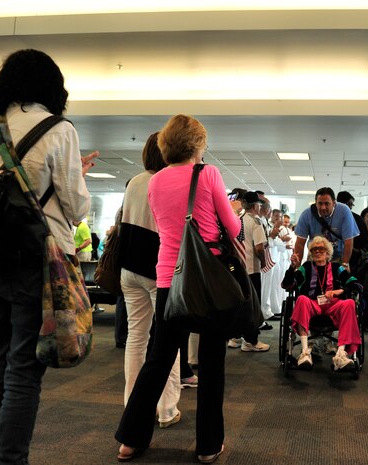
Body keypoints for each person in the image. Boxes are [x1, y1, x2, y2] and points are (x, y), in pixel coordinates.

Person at [0, 49, 97, 465]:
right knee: (23, 371)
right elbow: (76, 209)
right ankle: (11, 460)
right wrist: (77, 172)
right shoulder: (59, 129)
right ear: (51, 86)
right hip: (32, 264)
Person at [115, 114, 241, 464]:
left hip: (169, 280)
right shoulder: (209, 174)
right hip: (207, 281)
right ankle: (207, 446)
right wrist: (231, 212)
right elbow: (230, 227)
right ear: (197, 144)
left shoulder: (155, 181)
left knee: (157, 358)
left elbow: (166, 227)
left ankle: (130, 439)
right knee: (212, 363)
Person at [117, 132, 182, 429]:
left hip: (128, 269)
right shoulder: (166, 182)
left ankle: (132, 404)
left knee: (137, 338)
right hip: (157, 270)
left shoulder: (133, 183)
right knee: (168, 340)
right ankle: (167, 408)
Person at [282, 236, 362, 371]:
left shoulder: (337, 267)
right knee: (301, 299)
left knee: (349, 303)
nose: (318, 252)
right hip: (312, 305)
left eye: (321, 249)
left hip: (333, 306)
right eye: (314, 249)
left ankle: (340, 355)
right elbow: (287, 284)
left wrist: (339, 291)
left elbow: (356, 285)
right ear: (311, 253)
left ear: (328, 252)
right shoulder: (306, 267)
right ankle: (305, 353)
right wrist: (292, 267)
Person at [227, 191, 270, 352]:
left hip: (237, 269)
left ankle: (235, 337)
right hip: (251, 270)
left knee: (238, 304)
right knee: (252, 305)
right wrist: (264, 262)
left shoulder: (236, 220)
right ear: (256, 206)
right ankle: (251, 340)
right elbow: (259, 247)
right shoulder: (255, 222)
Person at [293, 187, 359, 272]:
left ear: (334, 203)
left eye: (327, 204)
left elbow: (348, 241)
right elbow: (300, 243)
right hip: (315, 257)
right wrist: (297, 267)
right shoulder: (306, 214)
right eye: (320, 204)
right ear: (315, 203)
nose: (323, 207)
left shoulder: (344, 211)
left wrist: (345, 264)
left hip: (337, 257)